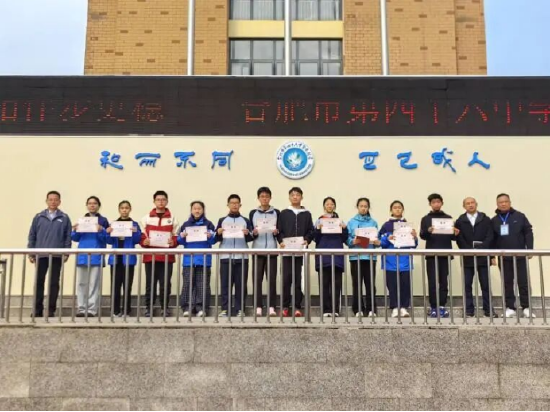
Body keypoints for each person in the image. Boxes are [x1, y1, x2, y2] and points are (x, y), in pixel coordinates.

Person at [27, 191, 72, 318]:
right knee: (39, 282)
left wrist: (66, 252)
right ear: (46, 201)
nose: (53, 202)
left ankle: (51, 310)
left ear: (59, 202)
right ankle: (37, 310)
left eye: (55, 199)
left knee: (54, 283)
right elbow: (32, 235)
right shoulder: (38, 217)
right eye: (50, 199)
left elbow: (68, 236)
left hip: (57, 255)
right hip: (40, 255)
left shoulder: (64, 218)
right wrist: (31, 251)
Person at [491, 194, 535, 319]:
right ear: (497, 204)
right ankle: (510, 308)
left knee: (523, 282)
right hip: (504, 257)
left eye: (506, 201)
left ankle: (526, 307)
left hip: (520, 255)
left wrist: (529, 249)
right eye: (500, 202)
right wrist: (492, 255)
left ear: (510, 202)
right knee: (507, 283)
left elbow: (528, 232)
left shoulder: (520, 216)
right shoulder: (494, 220)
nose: (503, 204)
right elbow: (492, 239)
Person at [455, 197, 497, 318]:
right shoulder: (460, 221)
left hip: (483, 256)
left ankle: (489, 310)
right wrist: (468, 249)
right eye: (467, 203)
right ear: (464, 206)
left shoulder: (485, 219)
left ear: (476, 204)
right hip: (467, 257)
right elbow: (459, 238)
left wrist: (482, 248)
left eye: (472, 203)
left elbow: (490, 236)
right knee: (467, 285)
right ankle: (469, 310)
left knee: (485, 284)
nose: (470, 205)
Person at [420, 193, 459, 319]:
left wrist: (455, 233)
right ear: (430, 204)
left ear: (442, 203)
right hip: (431, 254)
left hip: (445, 253)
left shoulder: (448, 218)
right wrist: (428, 231)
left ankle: (442, 305)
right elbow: (422, 235)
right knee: (432, 281)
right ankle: (433, 306)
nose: (436, 204)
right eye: (433, 202)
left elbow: (452, 237)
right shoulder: (426, 219)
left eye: (438, 202)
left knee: (443, 281)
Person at [277, 187, 315, 318]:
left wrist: (307, 240)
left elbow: (311, 231)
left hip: (300, 252)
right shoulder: (284, 213)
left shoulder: (307, 214)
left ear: (301, 197)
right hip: (287, 252)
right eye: (292, 195)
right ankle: (285, 307)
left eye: (297, 195)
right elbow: (279, 230)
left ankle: (298, 307)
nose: (295, 197)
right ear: (289, 197)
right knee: (286, 279)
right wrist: (281, 241)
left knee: (299, 280)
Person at [140, 191, 179, 318]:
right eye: (158, 199)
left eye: (163, 199)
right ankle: (149, 308)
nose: (161, 202)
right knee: (150, 284)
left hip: (167, 257)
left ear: (167, 201)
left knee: (165, 284)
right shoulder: (146, 218)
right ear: (154, 201)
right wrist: (144, 242)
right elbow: (141, 236)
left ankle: (164, 307)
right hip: (150, 256)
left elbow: (176, 237)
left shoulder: (173, 218)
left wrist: (173, 242)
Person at [216, 194, 254, 318]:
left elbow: (251, 237)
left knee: (241, 285)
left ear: (240, 205)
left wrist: (247, 233)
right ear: (228, 205)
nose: (234, 205)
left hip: (242, 257)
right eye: (232, 203)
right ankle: (225, 309)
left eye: (237, 203)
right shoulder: (222, 220)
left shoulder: (245, 220)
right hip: (225, 257)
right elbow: (216, 238)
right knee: (225, 285)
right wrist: (218, 232)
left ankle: (240, 309)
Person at [177, 201, 217, 318]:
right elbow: (179, 240)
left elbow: (213, 240)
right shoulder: (185, 225)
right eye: (195, 208)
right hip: (188, 260)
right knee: (187, 284)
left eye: (199, 208)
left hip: (204, 259)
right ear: (191, 210)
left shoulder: (208, 224)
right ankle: (187, 308)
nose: (197, 211)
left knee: (202, 285)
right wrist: (182, 237)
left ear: (203, 210)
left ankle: (201, 308)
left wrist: (210, 236)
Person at [71, 196, 109, 318]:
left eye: (95, 203)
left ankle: (92, 310)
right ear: (87, 205)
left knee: (94, 284)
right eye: (90, 203)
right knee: (81, 283)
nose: (92, 205)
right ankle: (81, 308)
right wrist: (75, 230)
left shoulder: (103, 220)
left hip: (96, 255)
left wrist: (101, 230)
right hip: (82, 255)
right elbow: (75, 238)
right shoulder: (82, 220)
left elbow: (107, 239)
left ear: (99, 205)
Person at [379, 201, 418, 319]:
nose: (397, 209)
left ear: (403, 210)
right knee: (392, 286)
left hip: (405, 260)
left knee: (405, 285)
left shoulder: (407, 225)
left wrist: (415, 237)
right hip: (390, 261)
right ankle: (395, 308)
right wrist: (387, 238)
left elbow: (414, 245)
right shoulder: (386, 226)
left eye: (399, 207)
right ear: (391, 210)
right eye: (395, 207)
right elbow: (380, 242)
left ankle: (404, 308)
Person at [106, 201, 142, 317]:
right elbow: (109, 241)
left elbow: (137, 240)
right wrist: (108, 233)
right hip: (115, 259)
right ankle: (115, 311)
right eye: (122, 208)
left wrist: (135, 232)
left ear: (130, 209)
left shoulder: (134, 224)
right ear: (119, 210)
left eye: (126, 208)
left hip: (128, 259)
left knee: (127, 286)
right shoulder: (113, 224)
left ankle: (126, 311)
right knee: (115, 286)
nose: (124, 210)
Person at [314, 197, 349, 317]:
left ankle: (335, 310)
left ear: (334, 206)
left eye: (332, 204)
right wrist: (318, 230)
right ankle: (325, 310)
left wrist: (344, 228)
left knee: (336, 284)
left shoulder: (339, 220)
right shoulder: (319, 220)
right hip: (323, 257)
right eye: (327, 204)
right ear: (324, 206)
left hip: (337, 257)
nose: (329, 206)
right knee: (324, 284)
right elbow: (315, 239)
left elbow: (344, 238)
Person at [249, 187, 280, 318]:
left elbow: (279, 230)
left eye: (267, 196)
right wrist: (254, 232)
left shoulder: (276, 212)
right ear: (258, 198)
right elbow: (250, 232)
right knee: (257, 279)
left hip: (272, 250)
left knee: (271, 279)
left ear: (270, 198)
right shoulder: (253, 213)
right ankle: (258, 306)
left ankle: (271, 307)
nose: (264, 199)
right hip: (257, 249)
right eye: (262, 196)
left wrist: (277, 232)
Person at [347, 198, 380, 318]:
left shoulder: (373, 222)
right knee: (357, 284)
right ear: (357, 207)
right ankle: (358, 309)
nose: (363, 208)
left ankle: (371, 309)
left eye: (365, 206)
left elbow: (377, 240)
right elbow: (347, 239)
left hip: (370, 257)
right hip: (356, 257)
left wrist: (377, 242)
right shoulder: (351, 222)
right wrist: (352, 241)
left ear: (368, 208)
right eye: (361, 206)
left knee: (370, 284)